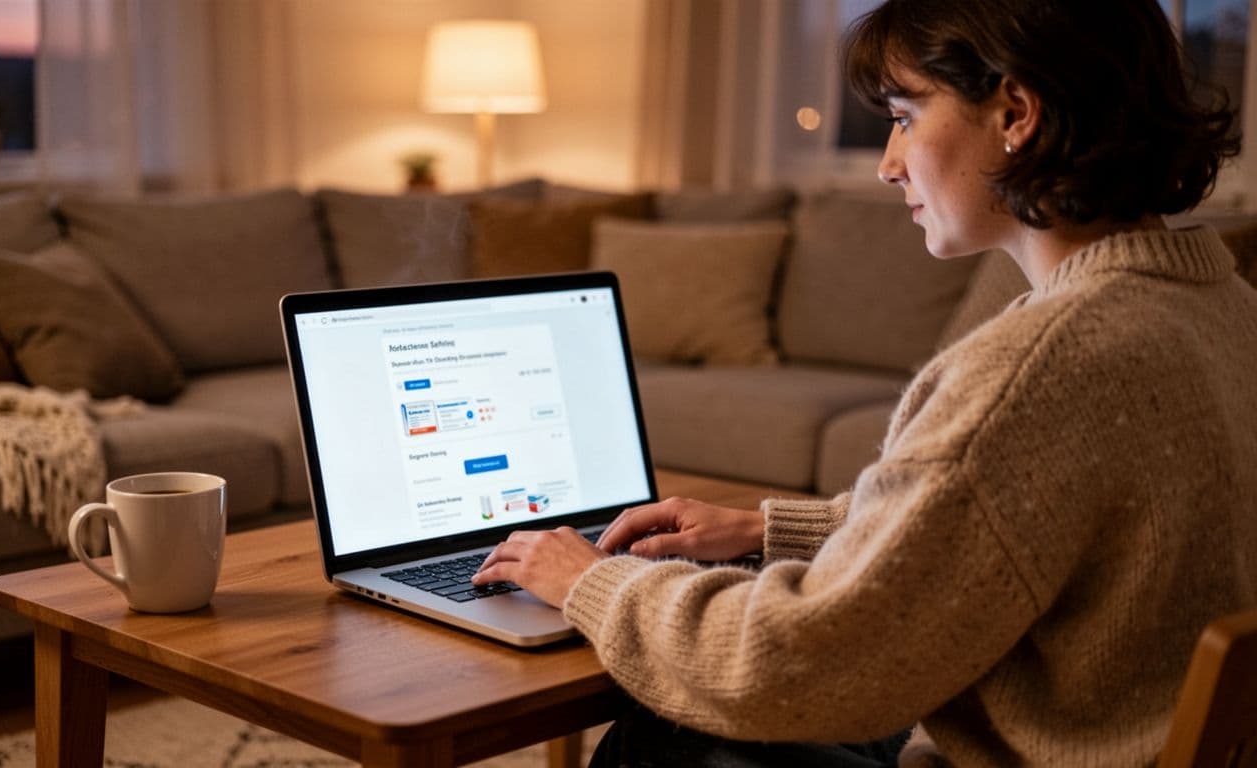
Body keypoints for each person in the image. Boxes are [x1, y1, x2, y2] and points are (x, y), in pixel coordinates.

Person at [473, 0, 1255, 764]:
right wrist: (767, 531)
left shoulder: (1038, 369)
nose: (887, 162)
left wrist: (592, 580)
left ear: (1016, 113)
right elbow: (1015, 519)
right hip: (1123, 726)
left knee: (673, 732)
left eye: (905, 117)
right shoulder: (1223, 307)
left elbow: (789, 667)